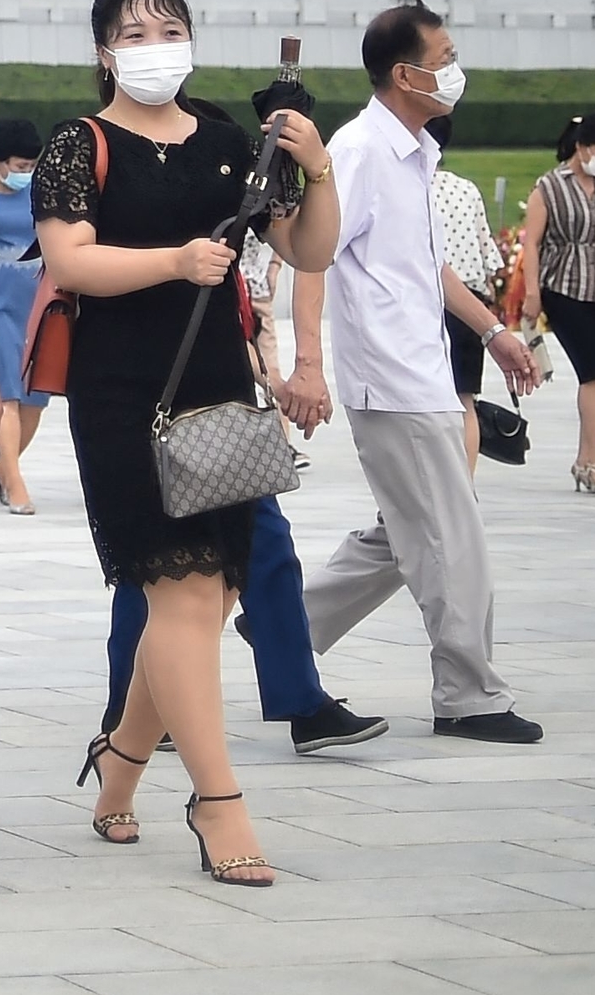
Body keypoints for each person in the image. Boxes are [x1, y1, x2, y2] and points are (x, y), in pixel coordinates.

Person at [46, 0, 342, 888]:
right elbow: (71, 262)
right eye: (133, 32)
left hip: (215, 382)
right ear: (104, 51)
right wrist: (175, 261)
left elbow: (310, 249)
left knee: (208, 597)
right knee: (181, 588)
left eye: (168, 27)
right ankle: (218, 801)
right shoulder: (78, 144)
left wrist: (317, 165)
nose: (152, 44)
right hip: (123, 387)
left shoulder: (229, 143)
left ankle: (121, 763)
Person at [295, 0, 544, 742]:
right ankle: (470, 697)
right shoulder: (360, 151)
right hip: (392, 377)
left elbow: (422, 265)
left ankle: (283, 628)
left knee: (408, 532)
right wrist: (308, 362)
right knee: (449, 536)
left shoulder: (414, 150)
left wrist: (493, 329)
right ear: (404, 74)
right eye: (444, 59)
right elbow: (314, 254)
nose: (454, 72)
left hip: (425, 368)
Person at [101, 216, 389, 758]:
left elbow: (305, 252)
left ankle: (302, 702)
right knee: (154, 556)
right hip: (137, 377)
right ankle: (129, 708)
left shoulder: (227, 160)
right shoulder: (114, 152)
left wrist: (273, 364)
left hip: (219, 370)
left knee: (266, 541)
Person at [515, 113, 595, 496]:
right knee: (592, 372)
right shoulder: (549, 187)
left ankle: (586, 460)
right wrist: (532, 293)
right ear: (583, 147)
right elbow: (531, 242)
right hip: (563, 286)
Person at [0, 118, 49, 515]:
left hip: (35, 306)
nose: (26, 173)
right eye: (19, 166)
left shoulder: (39, 192)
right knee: (8, 394)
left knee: (35, 398)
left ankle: (3, 466)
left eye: (30, 166)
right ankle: (15, 482)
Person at [433, 150, 512, 471]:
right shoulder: (465, 188)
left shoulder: (407, 187)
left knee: (423, 402)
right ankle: (465, 484)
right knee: (465, 399)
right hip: (470, 301)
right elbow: (488, 255)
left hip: (422, 302)